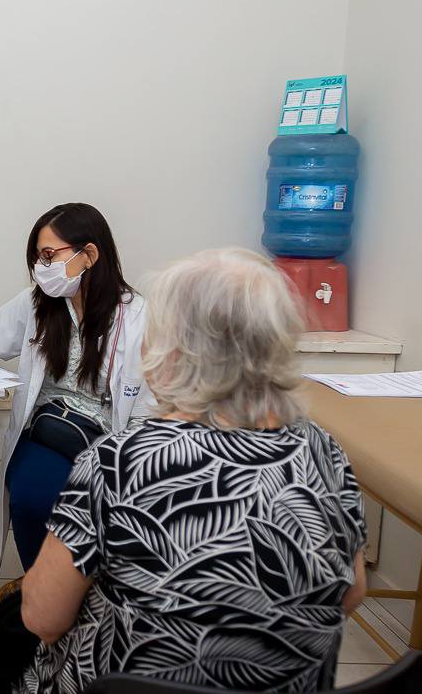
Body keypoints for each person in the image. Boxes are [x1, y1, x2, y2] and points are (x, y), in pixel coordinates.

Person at [19, 248, 368, 693]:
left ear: (173, 351)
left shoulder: (118, 463)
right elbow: (352, 592)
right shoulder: (323, 452)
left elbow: (43, 618)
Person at [0, 203, 154, 571]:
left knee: (107, 514)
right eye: (39, 257)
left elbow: (148, 413)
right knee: (33, 499)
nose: (42, 267)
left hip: (110, 442)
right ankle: (43, 590)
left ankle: (88, 592)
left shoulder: (138, 317)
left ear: (89, 255)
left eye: (49, 256)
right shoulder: (38, 303)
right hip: (50, 431)